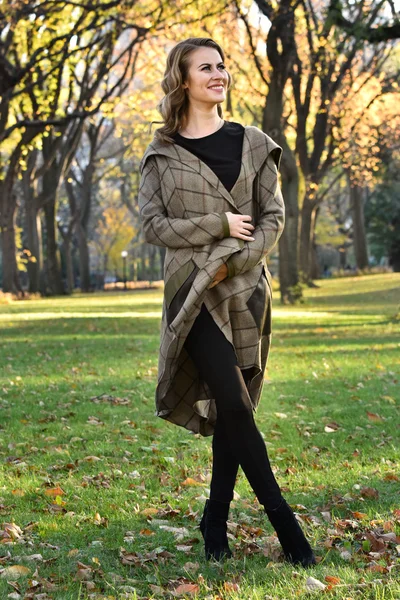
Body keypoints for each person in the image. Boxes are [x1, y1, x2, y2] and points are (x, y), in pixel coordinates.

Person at [138, 37, 316, 568]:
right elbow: (152, 226)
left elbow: (273, 219)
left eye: (222, 66)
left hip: (245, 290)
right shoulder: (162, 154)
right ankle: (287, 529)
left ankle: (215, 518)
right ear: (183, 81)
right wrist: (215, 227)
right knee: (235, 406)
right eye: (205, 68)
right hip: (191, 293)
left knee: (234, 405)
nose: (218, 74)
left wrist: (232, 262)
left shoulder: (255, 143)